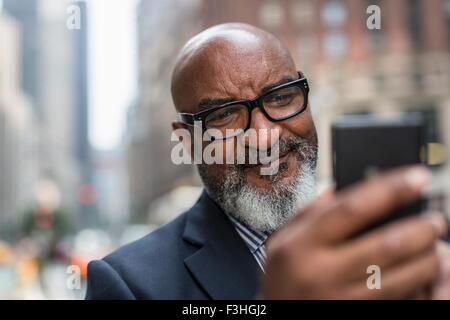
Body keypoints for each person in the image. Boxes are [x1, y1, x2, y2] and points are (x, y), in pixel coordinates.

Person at [86, 23, 450, 300]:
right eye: (226, 115)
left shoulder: (402, 237)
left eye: (280, 97)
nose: (265, 135)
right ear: (187, 141)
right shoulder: (128, 285)